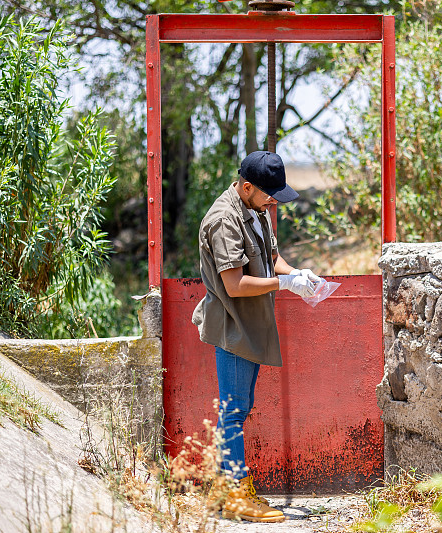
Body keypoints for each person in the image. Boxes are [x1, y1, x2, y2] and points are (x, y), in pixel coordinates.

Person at [191, 151, 320, 523]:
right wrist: (283, 284)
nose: (273, 202)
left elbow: (272, 258)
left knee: (239, 408)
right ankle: (235, 496)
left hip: (253, 322)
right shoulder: (224, 220)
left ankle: (225, 491)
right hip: (233, 324)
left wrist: (297, 274)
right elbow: (234, 285)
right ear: (247, 187)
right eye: (269, 194)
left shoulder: (256, 209)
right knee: (233, 413)